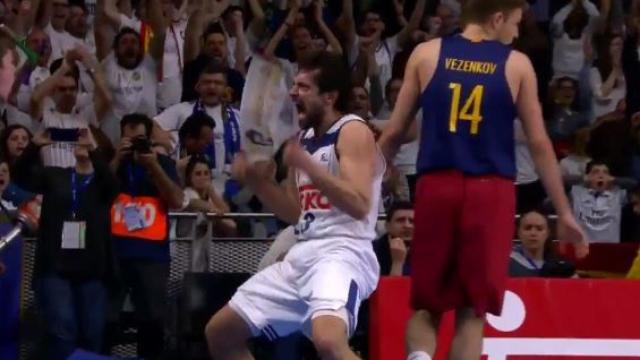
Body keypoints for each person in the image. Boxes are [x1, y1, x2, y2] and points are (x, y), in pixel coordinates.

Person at [378, 1, 589, 359]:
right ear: (497, 18)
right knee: (471, 311)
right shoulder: (516, 64)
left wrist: (365, 184)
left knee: (426, 305)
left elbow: (395, 133)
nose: (517, 32)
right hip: (489, 193)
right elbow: (539, 144)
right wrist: (565, 212)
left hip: (436, 187)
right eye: (517, 23)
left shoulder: (426, 53)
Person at [204, 51, 384, 360]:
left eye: (302, 87)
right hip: (304, 250)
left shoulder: (353, 130)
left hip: (344, 251)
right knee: (220, 333)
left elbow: (359, 205)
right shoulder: (302, 138)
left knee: (328, 342)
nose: (292, 92)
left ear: (329, 96)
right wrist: (257, 182)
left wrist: (309, 166)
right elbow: (295, 212)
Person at [12, 129, 118, 360]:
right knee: (62, 329)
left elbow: (111, 184)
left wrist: (93, 149)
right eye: (79, 139)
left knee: (92, 333)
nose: (81, 142)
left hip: (93, 268)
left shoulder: (103, 181)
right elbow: (19, 175)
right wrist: (34, 147)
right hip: (54, 265)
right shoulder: (55, 175)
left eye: (88, 138)